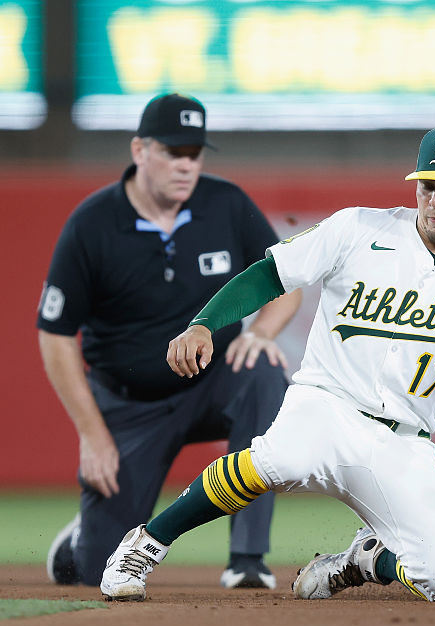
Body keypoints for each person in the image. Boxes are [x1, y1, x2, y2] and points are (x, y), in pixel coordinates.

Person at [97, 125, 435, 603]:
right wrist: (203, 324)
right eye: (428, 186)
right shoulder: (357, 228)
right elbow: (270, 274)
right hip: (323, 404)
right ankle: (147, 543)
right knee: (278, 459)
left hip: (401, 443)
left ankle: (361, 561)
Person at [38, 93, 301, 590]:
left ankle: (247, 559)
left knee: (265, 373)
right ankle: (82, 542)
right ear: (139, 150)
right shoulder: (92, 225)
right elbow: (54, 336)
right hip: (129, 407)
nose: (186, 165)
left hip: (212, 384)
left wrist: (261, 333)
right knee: (97, 572)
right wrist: (92, 436)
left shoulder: (225, 203)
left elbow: (287, 283)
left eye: (195, 154)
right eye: (173, 152)